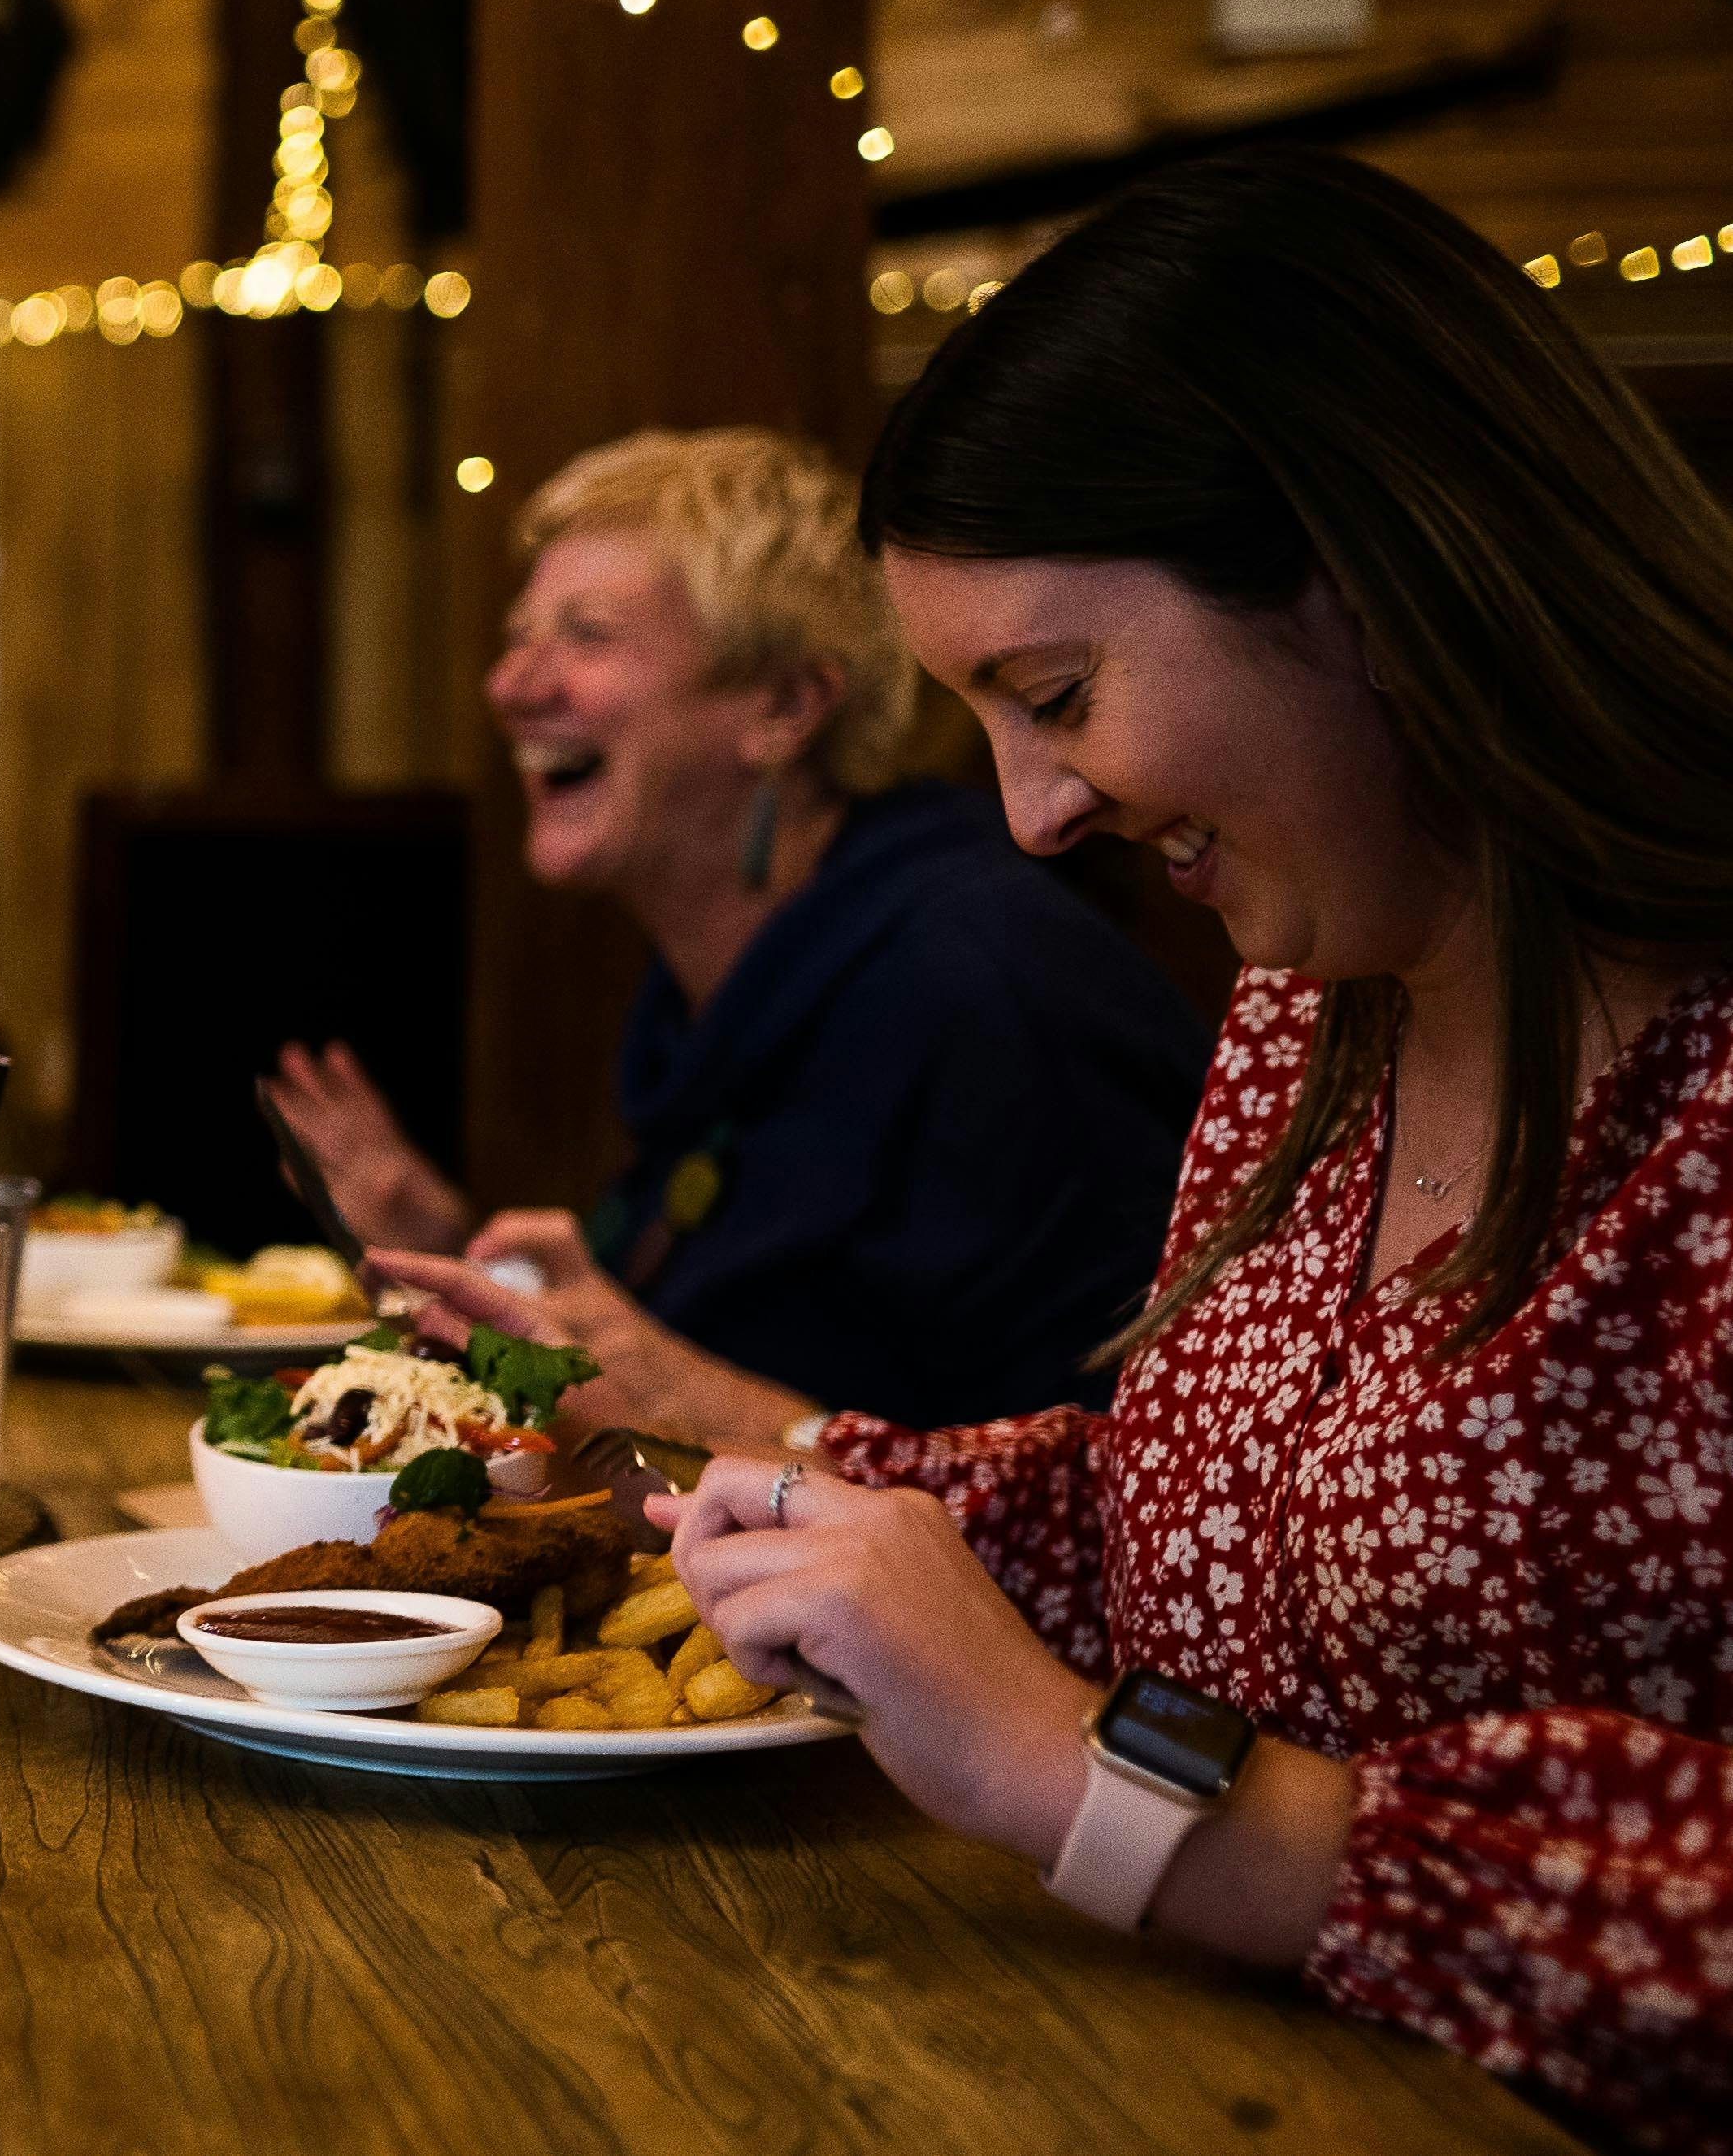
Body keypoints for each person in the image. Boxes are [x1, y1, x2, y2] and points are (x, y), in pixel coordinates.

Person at [658, 147, 1733, 2143]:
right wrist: (776, 1505)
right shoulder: (1307, 1005)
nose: (1029, 813)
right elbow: (1220, 1537)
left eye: (1054, 692)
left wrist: (1099, 1779)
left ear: (1366, 570)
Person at [274, 428, 1209, 1436]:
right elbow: (665, 1360)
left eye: (586, 634)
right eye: (519, 637)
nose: (510, 684)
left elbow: (1112, 1473)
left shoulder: (989, 988)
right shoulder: (733, 984)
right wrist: (455, 1254)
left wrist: (738, 1421)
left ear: (785, 704)